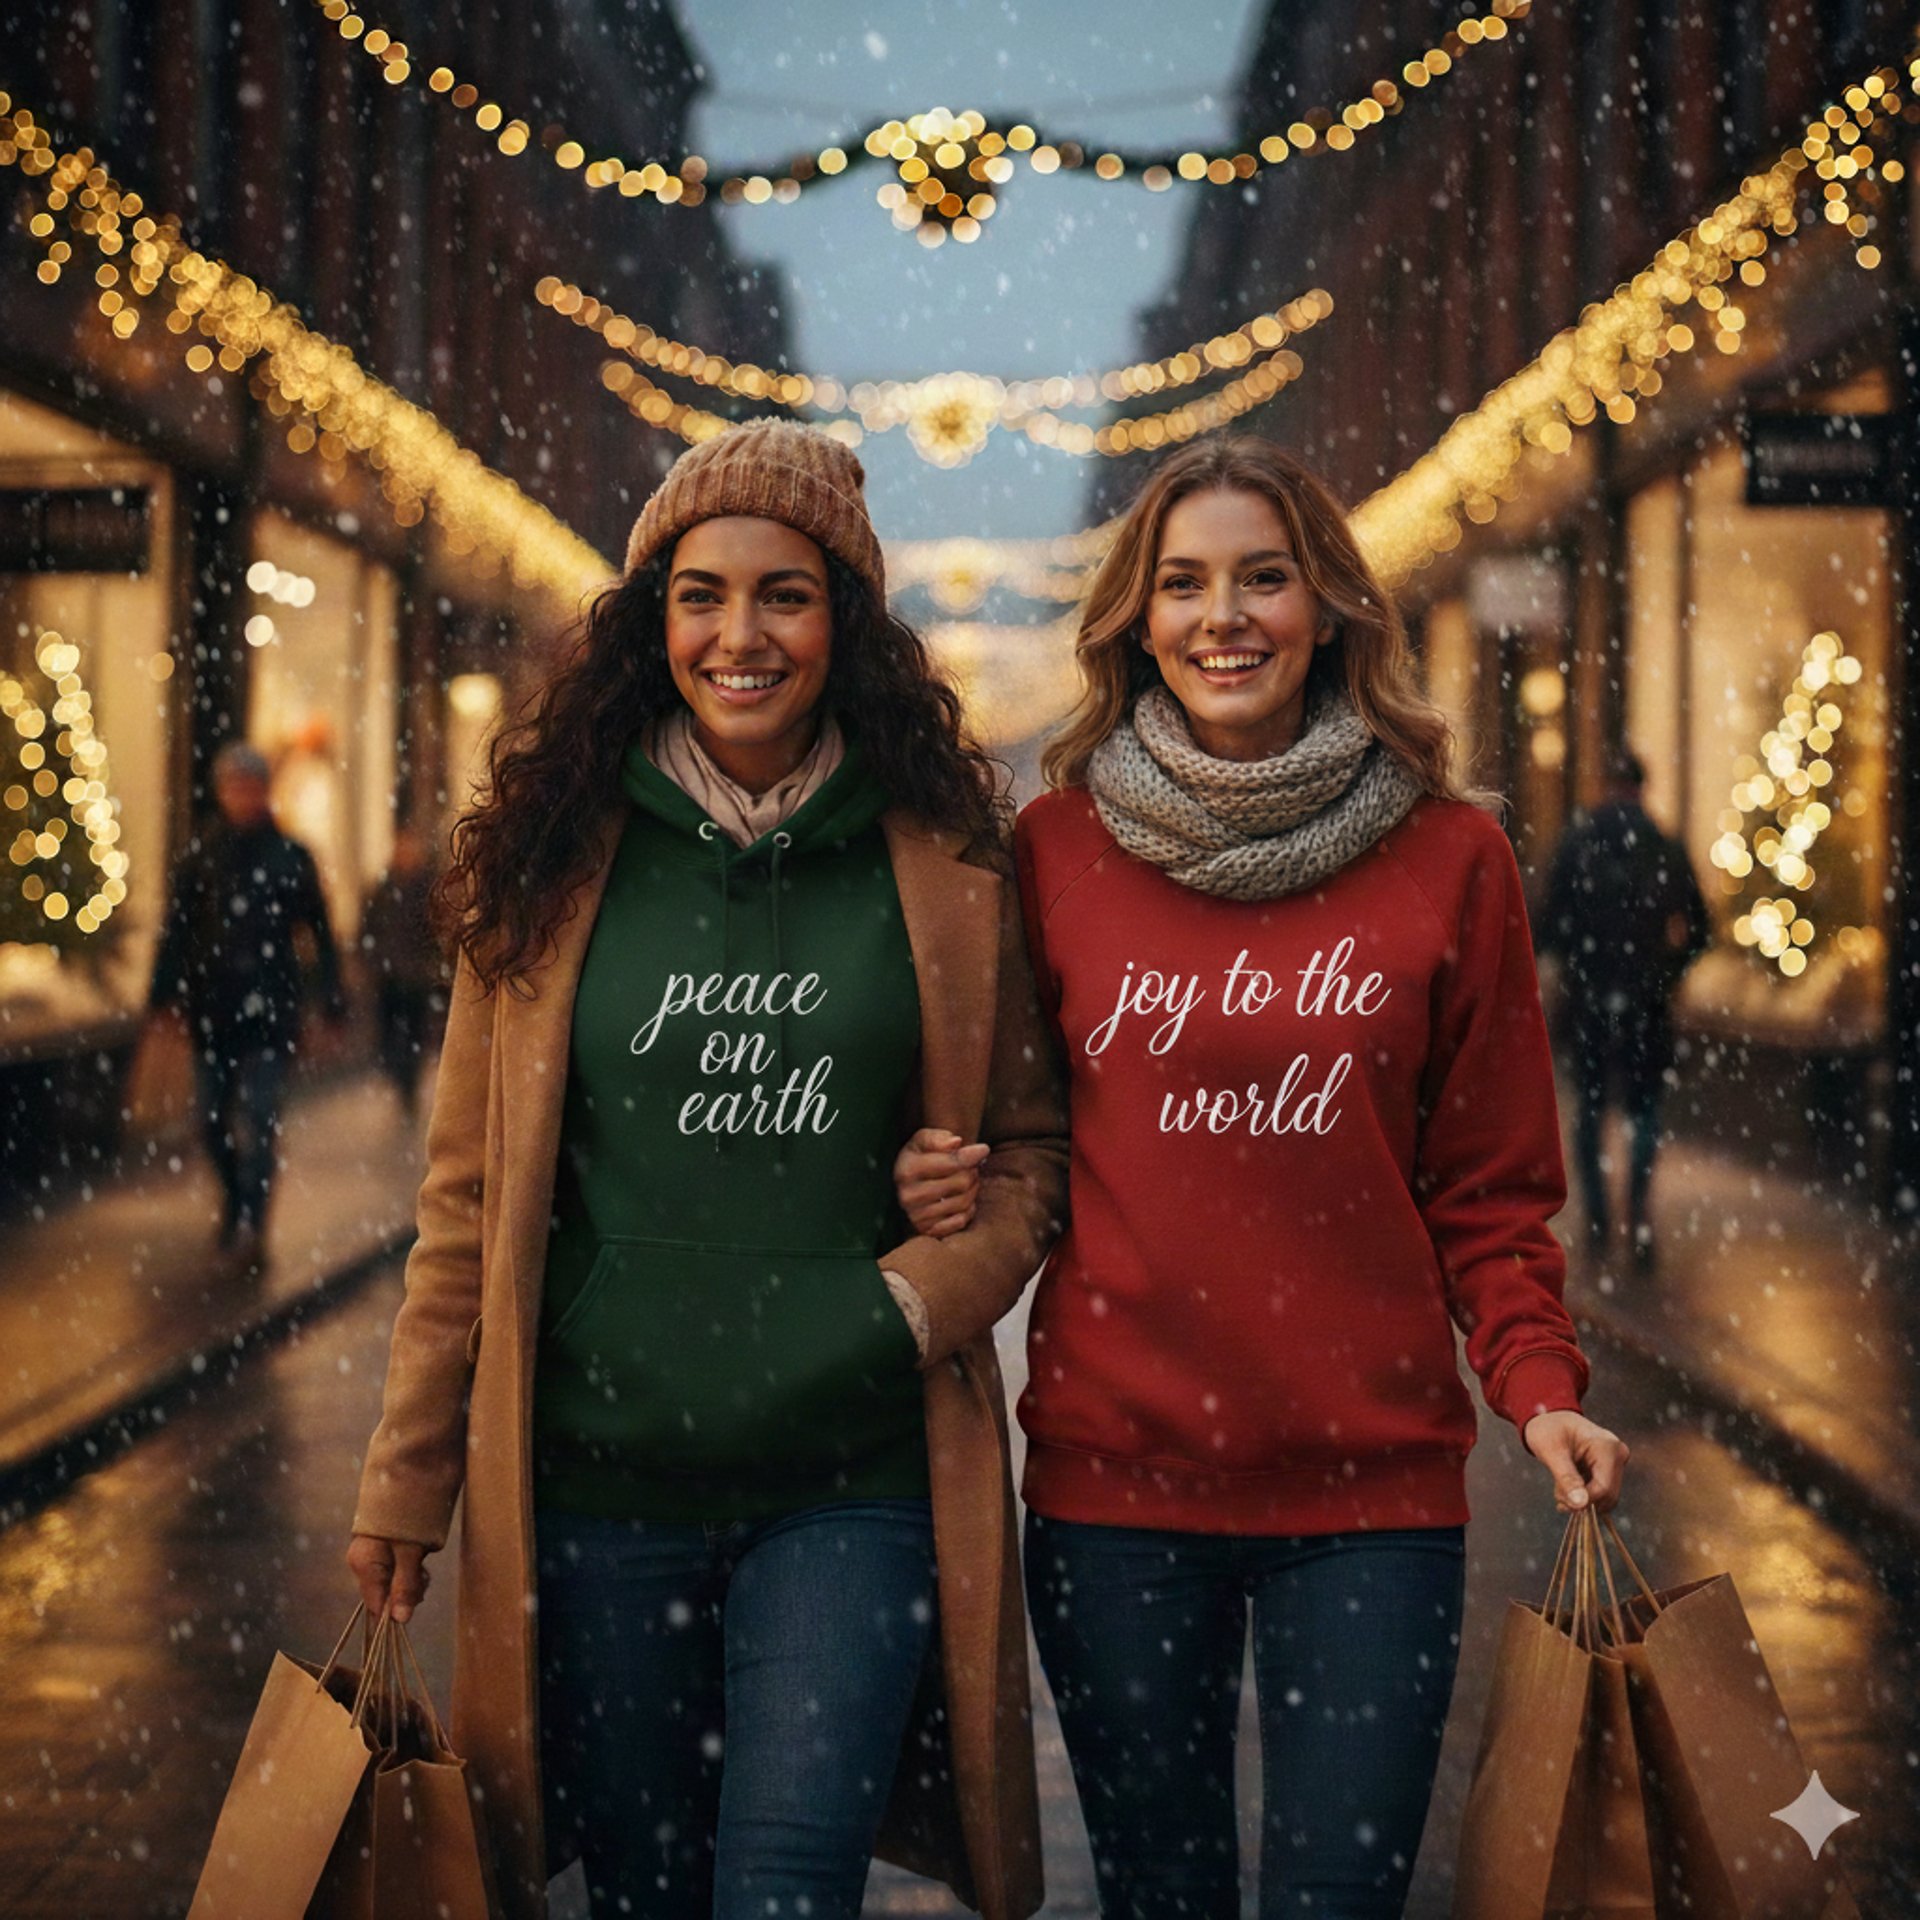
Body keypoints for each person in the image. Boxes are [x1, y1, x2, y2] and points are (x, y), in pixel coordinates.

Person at [895, 438, 1630, 1920]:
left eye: (1262, 577)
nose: (1222, 616)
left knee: (1339, 1896)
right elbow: (1011, 1134)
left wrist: (1540, 1383)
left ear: (1329, 607)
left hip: (1374, 1504)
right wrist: (930, 1175)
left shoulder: (1451, 857)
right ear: (1136, 621)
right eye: (1183, 584)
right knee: (1162, 1896)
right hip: (1116, 1501)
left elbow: (1486, 1189)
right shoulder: (1057, 852)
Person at [345, 422, 1068, 1920]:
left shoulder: (943, 863)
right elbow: (467, 1210)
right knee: (646, 1892)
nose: (741, 635)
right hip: (600, 1495)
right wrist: (406, 1481)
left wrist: (922, 1298)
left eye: (786, 595)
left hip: (851, 1486)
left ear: (846, 622)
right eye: (701, 594)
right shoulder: (552, 861)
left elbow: (1030, 1156)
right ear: (650, 620)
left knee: (789, 1887)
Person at [147, 739, 344, 1255]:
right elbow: (177, 929)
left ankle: (253, 1217)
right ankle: (236, 1198)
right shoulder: (203, 854)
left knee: (260, 1117)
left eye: (250, 785)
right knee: (211, 1119)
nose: (243, 795)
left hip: (271, 1009)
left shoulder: (289, 855)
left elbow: (319, 929)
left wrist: (331, 993)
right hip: (214, 1008)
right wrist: (163, 996)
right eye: (234, 786)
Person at [1539, 752, 1710, 1270]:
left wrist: (1576, 964)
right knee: (1643, 1111)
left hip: (1591, 1000)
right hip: (1646, 1003)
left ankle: (1596, 1219)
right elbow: (1701, 928)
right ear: (1641, 787)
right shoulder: (1664, 848)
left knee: (1590, 1109)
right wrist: (1666, 970)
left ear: (1606, 785)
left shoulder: (1578, 845)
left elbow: (1547, 924)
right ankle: (1636, 1214)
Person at [358, 825, 445, 1112]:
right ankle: (398, 1071)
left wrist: (433, 960)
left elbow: (436, 930)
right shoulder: (383, 888)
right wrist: (369, 958)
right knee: (389, 1029)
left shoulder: (426, 889)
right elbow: (368, 926)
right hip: (389, 973)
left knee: (413, 1029)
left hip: (416, 974)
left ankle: (408, 1078)